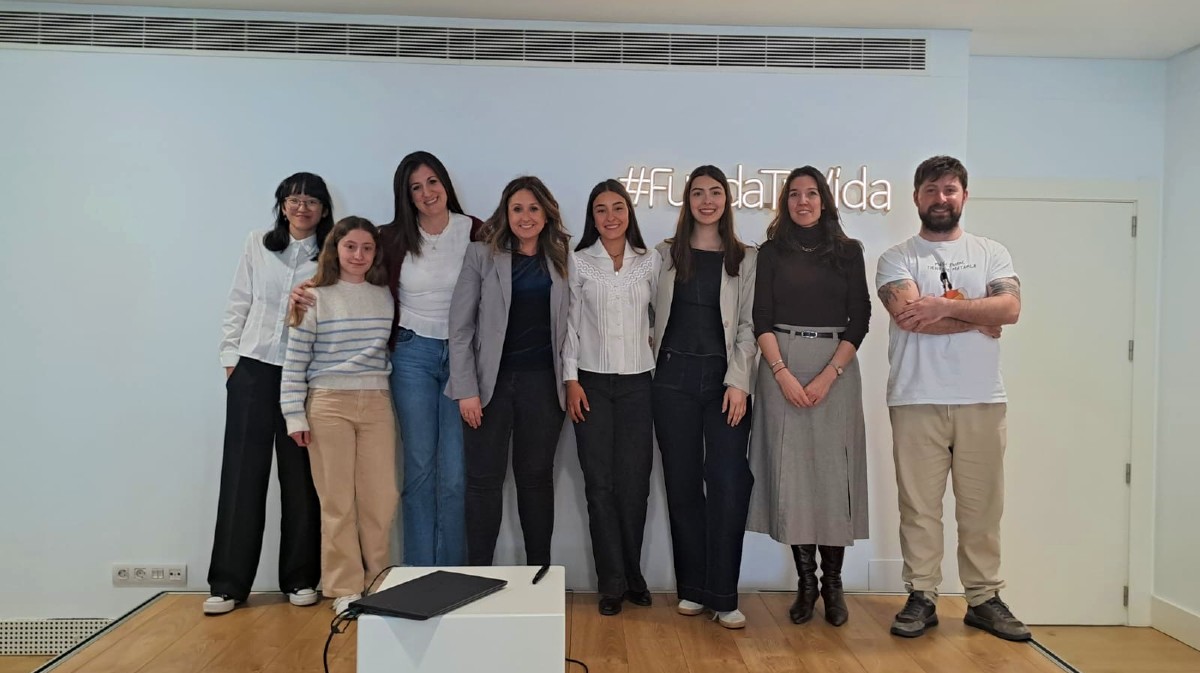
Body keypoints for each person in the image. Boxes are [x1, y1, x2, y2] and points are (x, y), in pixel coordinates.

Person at [292, 151, 486, 567]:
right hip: (412, 354)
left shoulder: (475, 230)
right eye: (415, 187)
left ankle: (453, 571)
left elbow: (500, 285)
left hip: (461, 357)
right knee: (418, 468)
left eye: (432, 182)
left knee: (455, 474)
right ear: (405, 195)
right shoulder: (391, 236)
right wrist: (306, 288)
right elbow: (349, 271)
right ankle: (418, 573)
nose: (426, 193)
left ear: (445, 183)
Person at [875, 155, 1026, 641]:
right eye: (931, 190)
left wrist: (940, 305)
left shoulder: (991, 252)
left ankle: (983, 599)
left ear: (964, 195)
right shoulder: (897, 258)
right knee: (919, 508)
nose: (941, 198)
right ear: (916, 197)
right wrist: (979, 319)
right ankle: (922, 596)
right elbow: (908, 317)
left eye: (950, 189)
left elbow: (1010, 308)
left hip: (982, 398)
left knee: (982, 508)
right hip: (915, 397)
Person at [747, 166, 871, 627]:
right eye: (795, 194)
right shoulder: (770, 253)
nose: (803, 201)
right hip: (780, 363)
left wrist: (829, 375)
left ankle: (833, 584)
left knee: (833, 477)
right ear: (785, 202)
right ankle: (806, 584)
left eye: (812, 193)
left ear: (824, 200)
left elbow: (860, 316)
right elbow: (760, 317)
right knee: (794, 478)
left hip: (836, 368)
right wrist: (780, 373)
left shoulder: (849, 251)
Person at [206, 172, 331, 616]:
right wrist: (231, 359)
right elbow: (239, 300)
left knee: (301, 479)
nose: (302, 207)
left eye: (312, 200)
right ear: (282, 205)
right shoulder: (258, 243)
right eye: (294, 199)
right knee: (242, 475)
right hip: (254, 368)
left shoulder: (332, 253)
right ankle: (228, 584)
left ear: (323, 209)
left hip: (305, 374)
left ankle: (301, 578)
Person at [650, 166, 756, 629]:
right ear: (687, 200)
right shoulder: (664, 255)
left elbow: (749, 325)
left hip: (723, 382)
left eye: (715, 193)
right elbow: (647, 313)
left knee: (729, 482)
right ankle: (692, 588)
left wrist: (739, 382)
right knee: (683, 483)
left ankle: (724, 594)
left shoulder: (745, 258)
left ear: (726, 200)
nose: (707, 201)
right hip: (671, 378)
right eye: (698, 193)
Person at [447, 176, 571, 567]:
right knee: (483, 482)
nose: (525, 217)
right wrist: (466, 389)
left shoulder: (562, 257)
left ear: (546, 214)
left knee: (536, 481)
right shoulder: (481, 255)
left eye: (534, 208)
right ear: (505, 213)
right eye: (517, 209)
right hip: (490, 387)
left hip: (543, 387)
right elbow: (460, 327)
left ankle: (539, 575)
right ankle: (479, 574)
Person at [282, 216, 397, 617]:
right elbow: (295, 361)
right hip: (329, 403)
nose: (359, 255)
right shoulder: (313, 297)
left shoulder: (384, 295)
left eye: (367, 248)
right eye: (351, 247)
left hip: (377, 402)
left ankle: (379, 580)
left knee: (381, 498)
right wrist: (294, 415)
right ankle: (344, 587)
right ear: (336, 249)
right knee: (337, 501)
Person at [564, 179, 662, 616]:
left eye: (618, 207)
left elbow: (662, 315)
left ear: (629, 213)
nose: (610, 216)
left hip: (640, 385)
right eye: (601, 209)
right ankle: (611, 581)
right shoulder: (579, 261)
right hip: (591, 385)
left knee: (635, 485)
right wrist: (570, 380)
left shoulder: (650, 260)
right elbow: (568, 325)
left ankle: (633, 574)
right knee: (600, 486)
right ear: (593, 216)